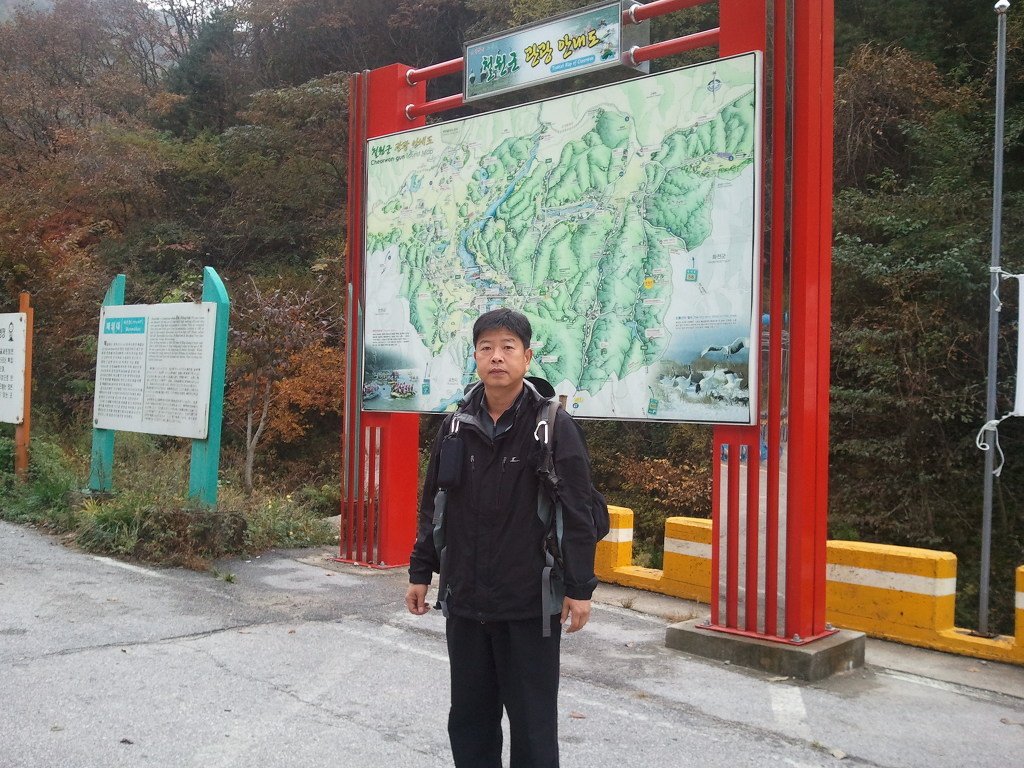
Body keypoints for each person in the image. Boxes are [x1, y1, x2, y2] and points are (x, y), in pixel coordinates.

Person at [405, 307, 599, 768]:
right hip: (465, 599)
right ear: (475, 357)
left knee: (533, 726)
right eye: (486, 347)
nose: (497, 357)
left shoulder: (553, 426)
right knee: (469, 720)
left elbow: (578, 511)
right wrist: (420, 571)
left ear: (527, 358)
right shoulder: (455, 426)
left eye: (508, 347)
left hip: (529, 604)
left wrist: (579, 587)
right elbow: (434, 503)